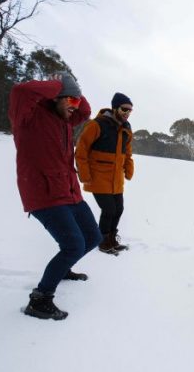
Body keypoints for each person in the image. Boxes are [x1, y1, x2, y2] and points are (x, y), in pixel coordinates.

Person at [9, 72, 102, 321]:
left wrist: (73, 93)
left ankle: (62, 269)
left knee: (93, 237)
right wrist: (60, 84)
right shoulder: (29, 118)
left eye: (76, 102)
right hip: (44, 194)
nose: (75, 108)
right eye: (70, 101)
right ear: (56, 96)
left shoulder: (65, 120)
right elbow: (21, 91)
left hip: (69, 191)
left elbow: (86, 111)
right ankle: (39, 300)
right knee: (73, 245)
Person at [75, 92, 134, 255]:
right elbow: (81, 150)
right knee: (109, 209)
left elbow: (128, 153)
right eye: (124, 109)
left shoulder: (126, 129)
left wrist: (129, 169)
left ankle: (111, 239)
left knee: (119, 208)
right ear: (115, 108)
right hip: (98, 177)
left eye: (130, 111)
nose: (127, 113)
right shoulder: (97, 124)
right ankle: (103, 242)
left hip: (116, 179)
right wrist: (85, 175)